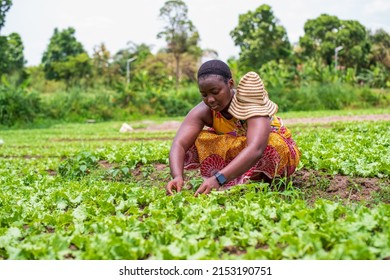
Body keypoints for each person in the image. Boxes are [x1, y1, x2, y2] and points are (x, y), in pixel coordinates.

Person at [165, 59, 300, 196]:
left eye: (215, 91)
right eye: (204, 95)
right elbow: (179, 143)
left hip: (270, 154)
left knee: (273, 144)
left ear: (230, 84)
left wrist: (219, 179)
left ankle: (260, 181)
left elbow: (256, 149)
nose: (210, 99)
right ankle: (234, 179)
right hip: (240, 153)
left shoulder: (250, 102)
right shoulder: (205, 110)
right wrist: (177, 176)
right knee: (199, 139)